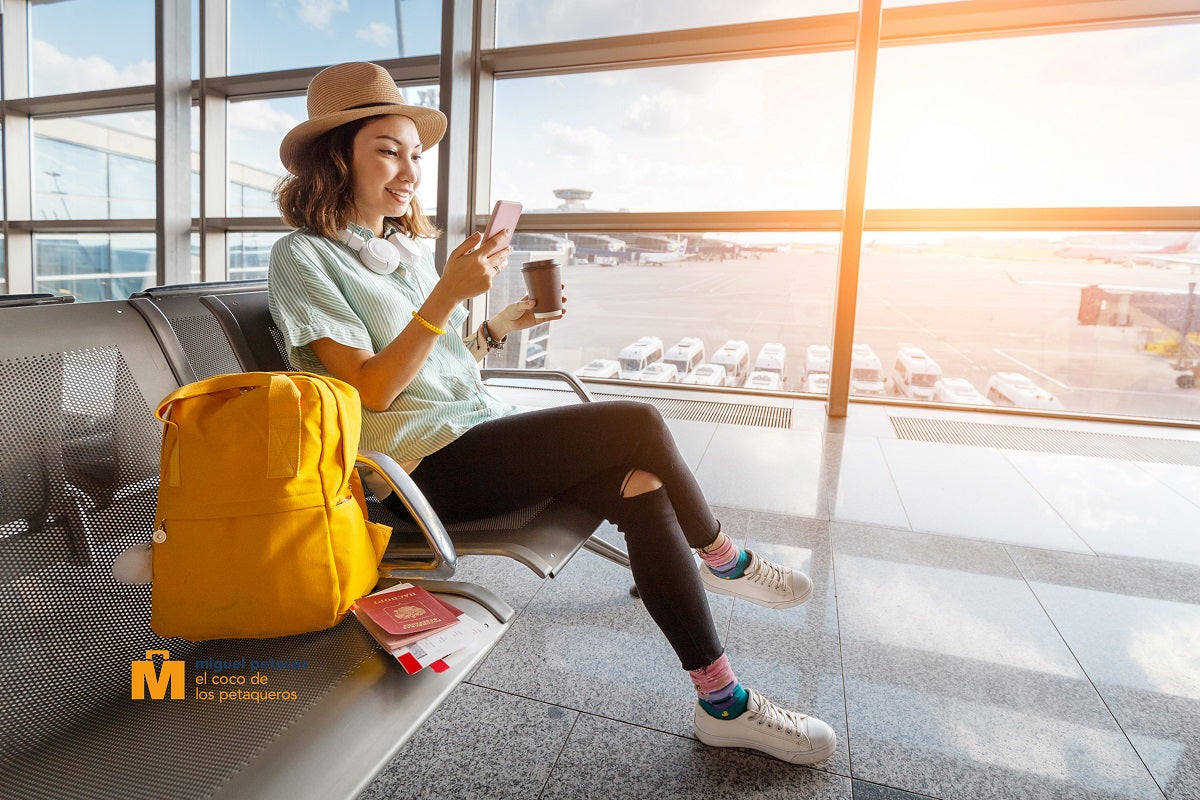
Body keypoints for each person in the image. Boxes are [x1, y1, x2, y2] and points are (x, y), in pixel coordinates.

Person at [268, 61, 836, 765]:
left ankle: (722, 702)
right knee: (636, 423)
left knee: (641, 481)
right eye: (387, 150)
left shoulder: (399, 257)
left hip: (469, 436)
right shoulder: (302, 259)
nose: (410, 170)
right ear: (336, 159)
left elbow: (438, 372)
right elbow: (371, 393)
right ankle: (723, 555)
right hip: (416, 477)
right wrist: (444, 298)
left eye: (415, 154)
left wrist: (494, 327)